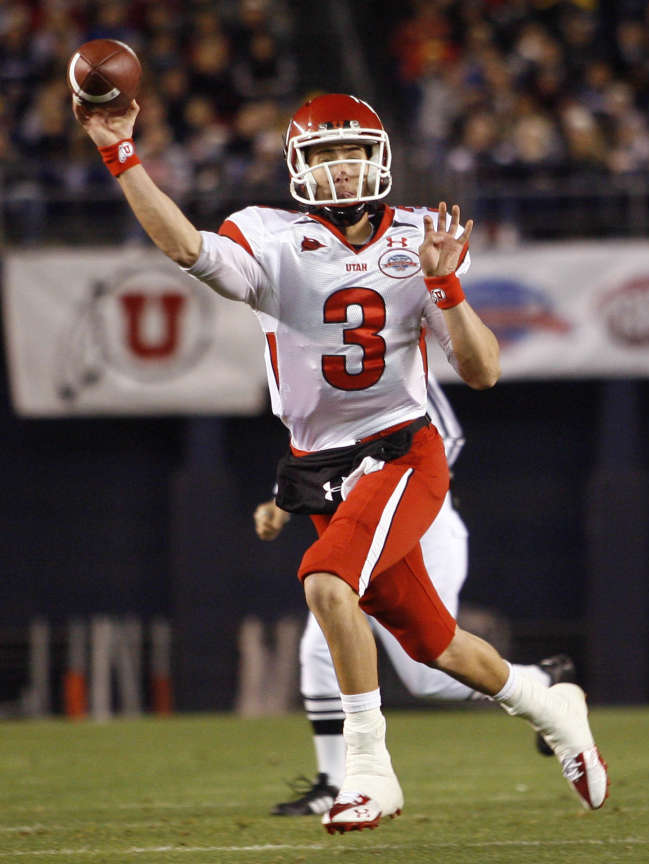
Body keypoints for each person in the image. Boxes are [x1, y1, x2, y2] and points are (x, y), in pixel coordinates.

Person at [73, 90, 608, 833]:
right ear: (298, 167)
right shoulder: (267, 236)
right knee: (436, 648)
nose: (342, 168)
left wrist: (445, 285)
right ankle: (552, 707)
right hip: (322, 469)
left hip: (402, 451)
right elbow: (185, 247)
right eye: (325, 155)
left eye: (353, 152)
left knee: (326, 583)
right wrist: (120, 154)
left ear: (379, 158)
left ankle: (366, 772)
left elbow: (482, 370)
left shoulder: (420, 236)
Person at [254, 373, 576, 816]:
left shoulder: (391, 358)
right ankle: (334, 780)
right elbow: (320, 446)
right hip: (358, 518)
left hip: (418, 521)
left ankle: (541, 682)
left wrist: (383, 482)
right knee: (319, 647)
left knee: (429, 671)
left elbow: (446, 437)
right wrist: (283, 500)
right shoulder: (314, 361)